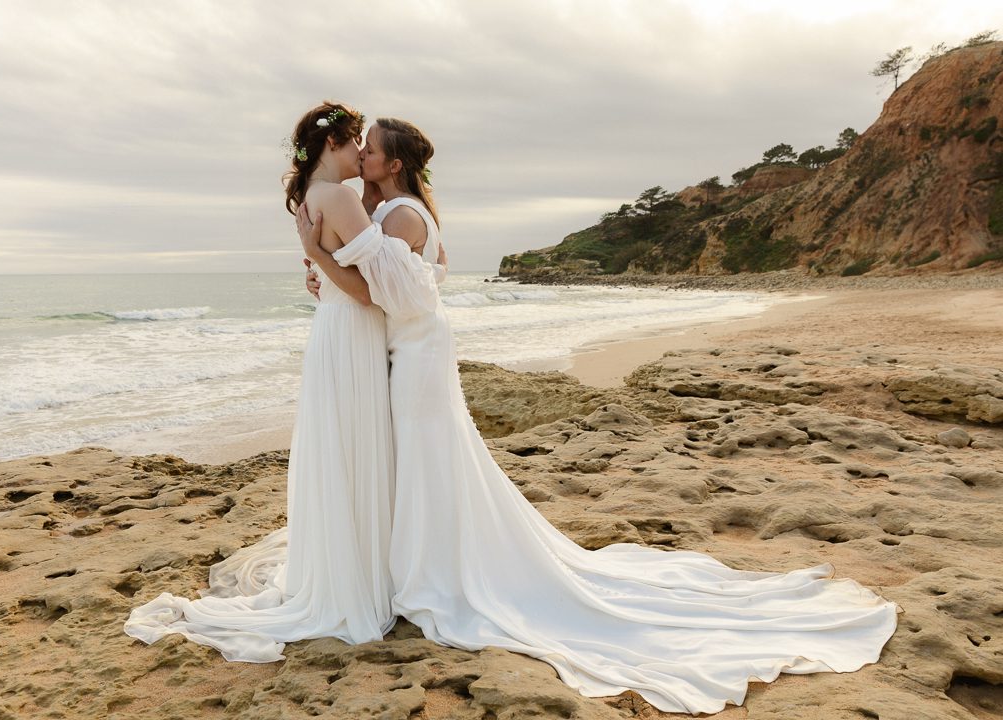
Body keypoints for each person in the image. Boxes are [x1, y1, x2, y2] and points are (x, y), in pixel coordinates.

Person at [296, 119, 900, 715]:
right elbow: (383, 280)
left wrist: (316, 251)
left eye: (369, 149)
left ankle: (434, 574)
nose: (362, 154)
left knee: (429, 459)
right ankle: (418, 565)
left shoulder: (400, 215)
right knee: (426, 460)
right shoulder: (388, 211)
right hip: (409, 350)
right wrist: (326, 266)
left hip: (418, 354)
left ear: (392, 163)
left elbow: (397, 296)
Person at [124, 101, 399, 661]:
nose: (361, 154)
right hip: (353, 327)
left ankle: (349, 561)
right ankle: (368, 574)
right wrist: (318, 257)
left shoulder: (310, 198)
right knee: (359, 443)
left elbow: (338, 273)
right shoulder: (340, 197)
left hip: (333, 329)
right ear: (331, 146)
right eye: (354, 144)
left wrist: (318, 264)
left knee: (339, 445)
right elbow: (372, 291)